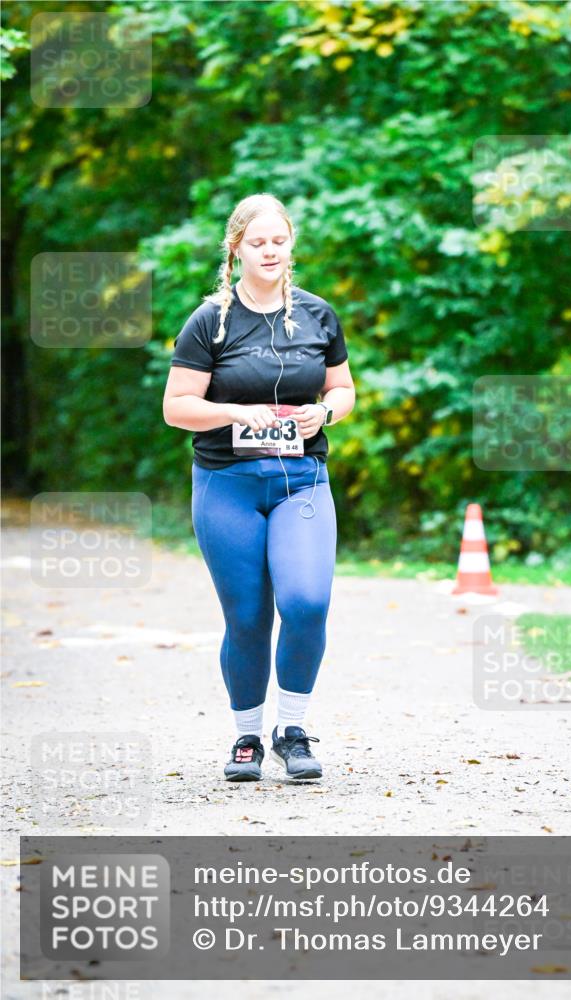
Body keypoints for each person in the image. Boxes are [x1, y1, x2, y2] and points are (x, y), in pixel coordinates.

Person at [162, 193, 355, 782]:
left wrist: (326, 412)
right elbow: (176, 408)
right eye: (257, 243)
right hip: (228, 484)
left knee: (306, 603)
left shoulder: (318, 315)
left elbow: (344, 389)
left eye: (279, 241)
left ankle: (291, 731)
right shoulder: (210, 321)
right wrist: (236, 413)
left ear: (290, 244)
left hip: (302, 481)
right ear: (236, 249)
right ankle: (246, 737)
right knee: (247, 616)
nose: (269, 251)